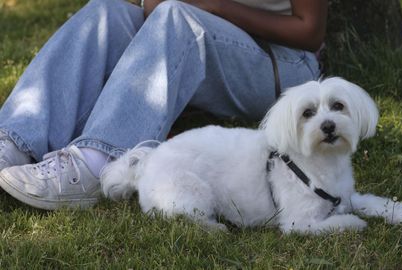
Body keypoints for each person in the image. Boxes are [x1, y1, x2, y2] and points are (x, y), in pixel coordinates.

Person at [0, 0, 327, 210]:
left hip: (282, 65)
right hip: (208, 38)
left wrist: (214, 7)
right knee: (107, 12)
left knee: (178, 16)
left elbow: (309, 30)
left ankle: (94, 164)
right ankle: (15, 138)